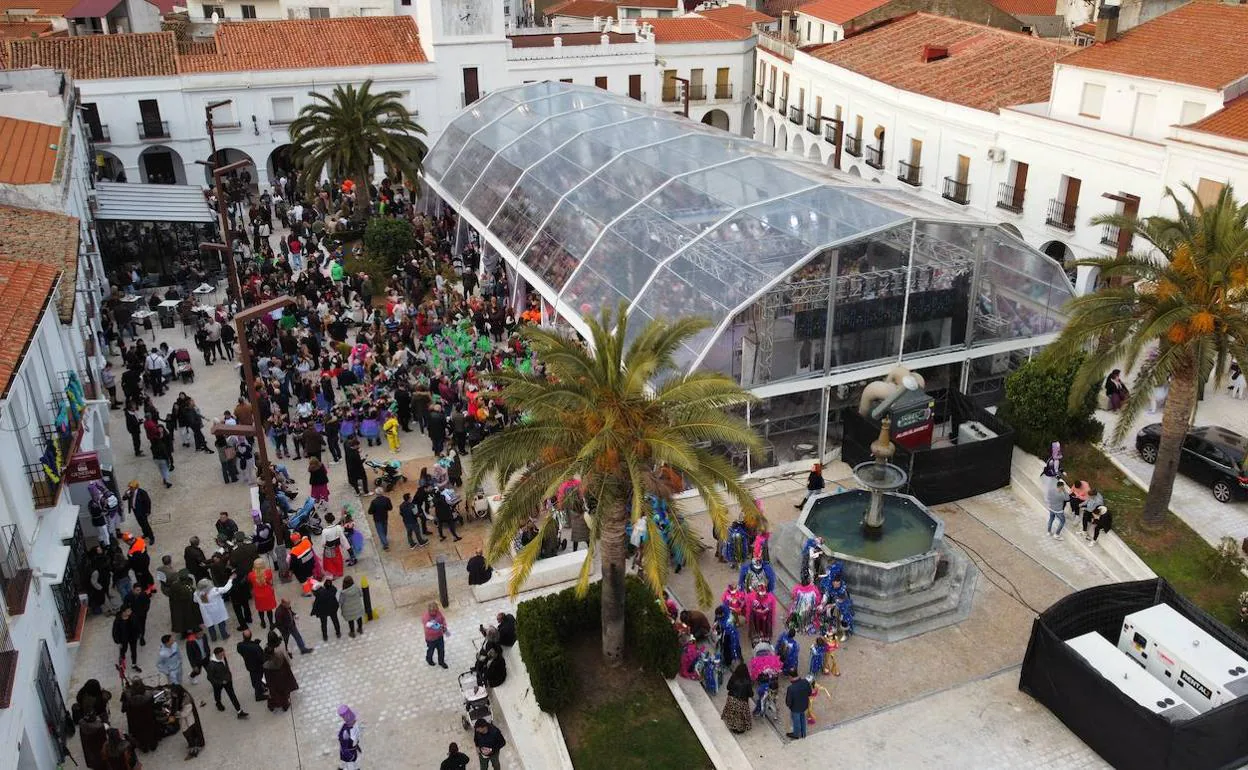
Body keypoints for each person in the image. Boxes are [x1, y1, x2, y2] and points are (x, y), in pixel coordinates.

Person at [204, 647, 249, 719]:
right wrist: (220, 682)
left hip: (227, 681)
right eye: (222, 654)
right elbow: (209, 678)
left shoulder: (223, 658)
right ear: (217, 654)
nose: (224, 654)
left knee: (232, 695)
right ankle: (218, 703)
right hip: (219, 683)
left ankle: (239, 711)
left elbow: (226, 667)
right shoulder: (211, 665)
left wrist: (229, 676)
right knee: (217, 693)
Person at [119, 679, 158, 754]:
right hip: (148, 718)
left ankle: (144, 747)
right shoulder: (149, 695)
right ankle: (152, 745)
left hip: (135, 719)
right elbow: (153, 706)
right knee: (150, 731)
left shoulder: (128, 697)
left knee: (139, 733)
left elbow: (124, 709)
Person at [262, 640, 298, 712]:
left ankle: (273, 705)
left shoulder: (266, 665)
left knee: (274, 695)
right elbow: (286, 666)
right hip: (282, 678)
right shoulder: (280, 656)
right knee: (284, 693)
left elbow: (267, 676)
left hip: (274, 683)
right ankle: (285, 705)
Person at [194, 576, 233, 640]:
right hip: (217, 610)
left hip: (206, 612)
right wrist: (230, 580)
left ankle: (213, 638)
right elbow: (225, 589)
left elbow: (195, 600)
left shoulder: (196, 593)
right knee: (221, 623)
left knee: (210, 625)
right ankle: (224, 635)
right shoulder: (213, 590)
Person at [236, 628, 268, 702]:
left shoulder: (240, 645)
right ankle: (259, 695)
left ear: (243, 637)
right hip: (258, 666)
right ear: (251, 636)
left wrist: (253, 643)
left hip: (249, 665)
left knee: (254, 679)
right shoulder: (256, 647)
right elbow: (261, 657)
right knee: (257, 680)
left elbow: (241, 651)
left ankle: (261, 689)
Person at [722, 663, 754, 733]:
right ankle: (739, 729)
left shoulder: (734, 677)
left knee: (733, 714)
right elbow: (751, 694)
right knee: (741, 716)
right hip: (742, 701)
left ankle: (733, 726)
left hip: (732, 699)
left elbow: (728, 687)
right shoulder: (747, 681)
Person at [123, 480, 156, 545]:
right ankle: (145, 534)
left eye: (131, 487)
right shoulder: (130, 492)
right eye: (129, 487)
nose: (130, 488)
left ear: (136, 487)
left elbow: (148, 502)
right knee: (140, 523)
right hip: (135, 510)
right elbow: (124, 498)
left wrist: (148, 511)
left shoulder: (142, 493)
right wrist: (126, 495)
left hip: (142, 512)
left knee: (146, 524)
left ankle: (151, 537)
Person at [250, 559, 278, 629]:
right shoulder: (268, 572)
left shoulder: (251, 575)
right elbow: (269, 580)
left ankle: (263, 622)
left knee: (260, 610)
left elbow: (250, 581)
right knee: (269, 610)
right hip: (267, 594)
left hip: (258, 595)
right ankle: (271, 623)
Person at [784, 672, 813, 740]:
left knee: (796, 721)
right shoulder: (805, 682)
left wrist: (790, 705)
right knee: (802, 718)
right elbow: (810, 693)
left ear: (791, 677)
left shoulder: (791, 688)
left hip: (795, 708)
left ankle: (796, 734)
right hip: (804, 705)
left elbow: (788, 702)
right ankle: (803, 733)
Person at [113, 606, 142, 672]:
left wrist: (139, 633)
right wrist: (118, 641)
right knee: (123, 650)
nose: (131, 611)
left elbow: (138, 625)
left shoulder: (133, 616)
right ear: (124, 612)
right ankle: (122, 662)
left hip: (133, 637)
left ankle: (134, 664)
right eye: (128, 610)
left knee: (134, 651)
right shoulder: (118, 620)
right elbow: (115, 632)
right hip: (123, 639)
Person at [423, 601, 449, 668]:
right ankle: (429, 659)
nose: (435, 613)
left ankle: (441, 662)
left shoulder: (438, 613)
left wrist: (444, 625)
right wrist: (439, 628)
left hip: (439, 637)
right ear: (430, 611)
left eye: (436, 611)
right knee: (431, 650)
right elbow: (428, 631)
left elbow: (443, 619)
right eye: (433, 611)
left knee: (441, 650)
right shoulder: (426, 618)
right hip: (431, 639)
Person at [337, 705, 362, 770]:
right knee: (350, 766)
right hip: (349, 755)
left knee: (347, 763)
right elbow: (344, 748)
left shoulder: (354, 726)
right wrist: (351, 757)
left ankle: (342, 767)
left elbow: (355, 739)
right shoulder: (345, 734)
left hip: (353, 750)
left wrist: (357, 747)